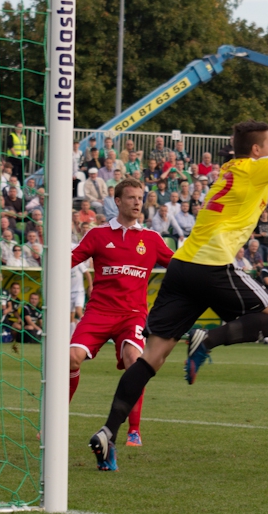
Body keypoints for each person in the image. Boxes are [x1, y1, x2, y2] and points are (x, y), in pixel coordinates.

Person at [87, 69, 268, 471]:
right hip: (212, 265)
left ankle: (107, 432)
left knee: (153, 358)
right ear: (256, 151)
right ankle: (206, 342)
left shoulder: (237, 168)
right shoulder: (252, 169)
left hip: (182, 267)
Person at [71, 178, 174, 464]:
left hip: (133, 315)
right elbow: (70, 259)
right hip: (99, 313)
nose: (137, 202)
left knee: (134, 359)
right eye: (131, 198)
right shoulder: (97, 235)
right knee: (72, 358)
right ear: (117, 201)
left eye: (140, 197)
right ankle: (57, 418)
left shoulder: (152, 239)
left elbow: (177, 265)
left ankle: (134, 429)